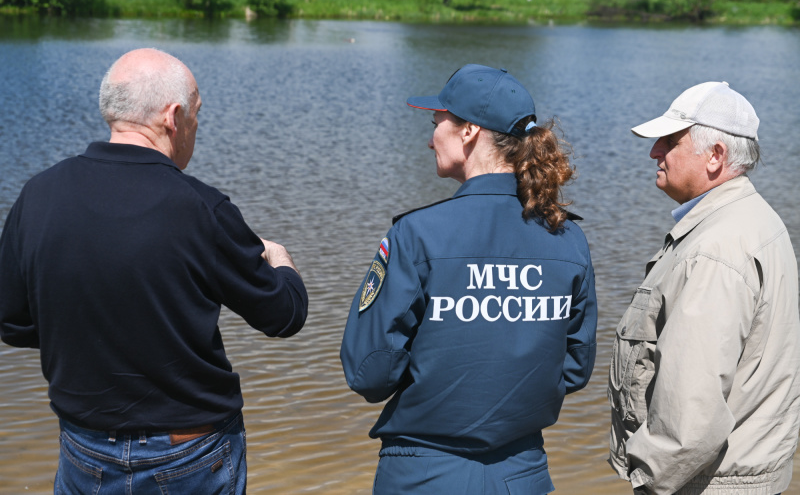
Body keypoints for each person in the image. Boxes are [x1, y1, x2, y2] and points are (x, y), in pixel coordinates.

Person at [0, 48, 308, 494]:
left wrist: (85, 331)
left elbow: (12, 322)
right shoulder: (202, 208)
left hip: (84, 447)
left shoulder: (38, 195)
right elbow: (284, 316)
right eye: (198, 115)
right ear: (174, 116)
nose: (197, 128)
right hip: (190, 453)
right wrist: (280, 259)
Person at [340, 64, 597, 494]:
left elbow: (369, 372)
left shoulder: (417, 234)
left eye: (436, 121)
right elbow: (574, 367)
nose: (429, 137)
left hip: (424, 474)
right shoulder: (567, 238)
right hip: (524, 475)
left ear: (468, 131)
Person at [608, 81, 800, 494]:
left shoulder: (716, 250)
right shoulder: (753, 220)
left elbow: (689, 416)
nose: (654, 152)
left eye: (669, 141)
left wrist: (647, 482)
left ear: (715, 156)